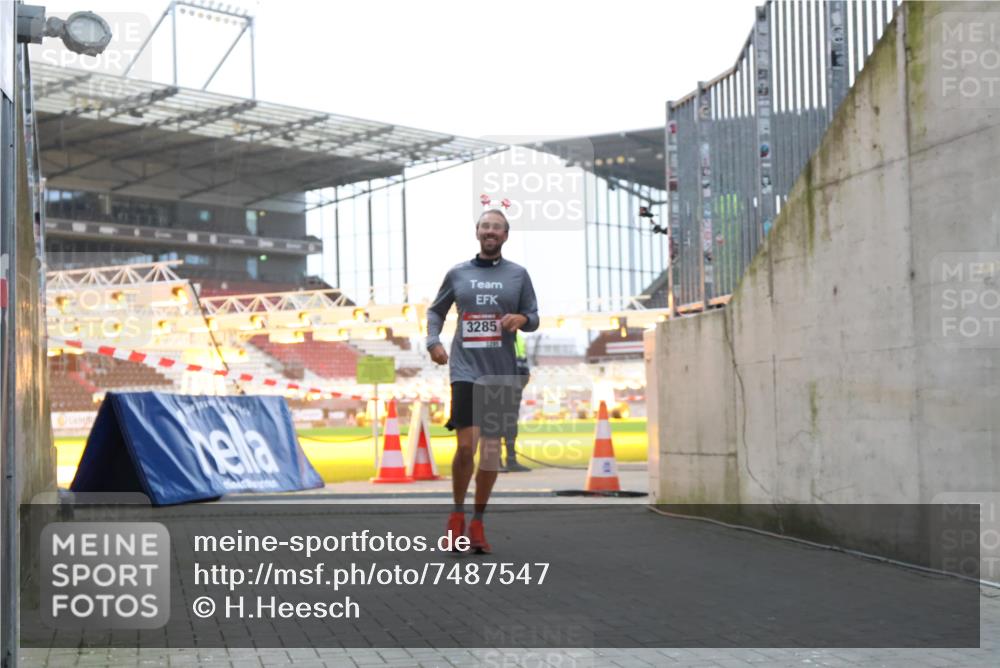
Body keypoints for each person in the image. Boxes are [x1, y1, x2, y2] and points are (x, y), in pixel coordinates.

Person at [426, 206, 539, 553]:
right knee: (465, 447)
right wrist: (433, 341)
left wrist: (520, 318)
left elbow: (534, 317)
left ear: (505, 236)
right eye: (485, 226)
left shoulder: (518, 275)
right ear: (477, 233)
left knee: (490, 453)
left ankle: (477, 522)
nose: (491, 231)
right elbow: (436, 310)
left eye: (497, 227)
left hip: (500, 372)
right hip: (466, 369)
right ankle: (456, 517)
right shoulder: (457, 274)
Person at [499, 331, 531, 473]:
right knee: (494, 423)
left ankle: (511, 460)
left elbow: (522, 361)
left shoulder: (517, 337)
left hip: (513, 384)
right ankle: (496, 460)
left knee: (510, 423)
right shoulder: (493, 333)